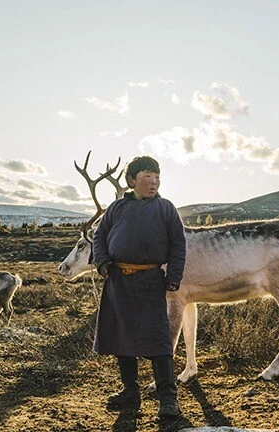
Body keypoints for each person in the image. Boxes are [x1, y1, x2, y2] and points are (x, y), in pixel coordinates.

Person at [92, 155, 186, 418]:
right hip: (118, 281)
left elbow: (178, 244)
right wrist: (102, 262)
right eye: (147, 176)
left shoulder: (166, 208)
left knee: (159, 339)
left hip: (150, 282)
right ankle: (130, 392)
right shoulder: (116, 208)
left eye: (157, 177)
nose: (154, 181)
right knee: (122, 336)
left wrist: (173, 276)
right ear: (132, 181)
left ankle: (168, 399)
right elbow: (99, 236)